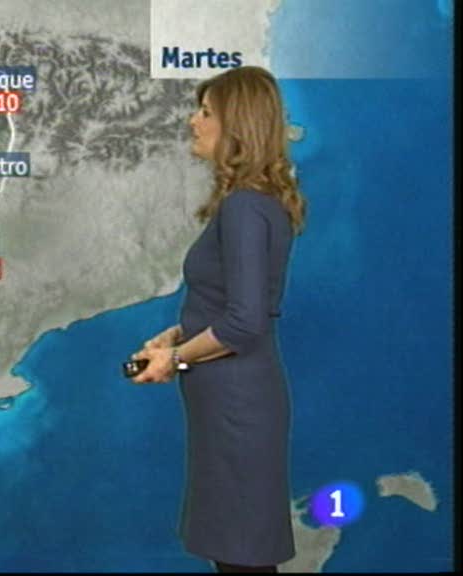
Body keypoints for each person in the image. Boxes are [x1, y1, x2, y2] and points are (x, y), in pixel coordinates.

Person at [128, 66, 307, 573]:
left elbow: (245, 324)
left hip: (236, 408)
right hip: (232, 403)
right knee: (237, 554)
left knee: (242, 558)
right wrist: (177, 336)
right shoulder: (254, 203)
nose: (193, 121)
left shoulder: (244, 208)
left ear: (237, 127)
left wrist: (174, 360)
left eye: (206, 112)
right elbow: (235, 307)